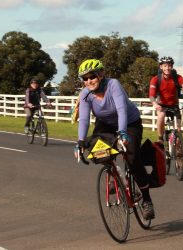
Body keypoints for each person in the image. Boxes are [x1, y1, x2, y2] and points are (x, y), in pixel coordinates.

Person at [75, 59, 155, 220]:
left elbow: (121, 109)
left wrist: (123, 132)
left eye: (92, 77)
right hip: (105, 124)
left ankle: (146, 200)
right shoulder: (85, 94)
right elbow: (83, 119)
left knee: (132, 157)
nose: (89, 81)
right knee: (98, 149)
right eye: (85, 78)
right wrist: (80, 142)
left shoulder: (113, 85)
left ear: (101, 74)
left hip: (129, 122)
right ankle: (113, 175)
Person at [149, 56, 183, 144]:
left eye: (169, 66)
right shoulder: (156, 79)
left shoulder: (178, 78)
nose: (167, 68)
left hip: (174, 105)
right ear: (161, 67)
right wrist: (155, 104)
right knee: (161, 116)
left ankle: (178, 149)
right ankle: (160, 138)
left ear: (172, 67)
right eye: (165, 66)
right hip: (161, 105)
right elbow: (151, 95)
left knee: (178, 129)